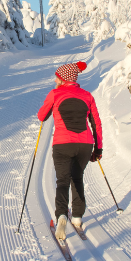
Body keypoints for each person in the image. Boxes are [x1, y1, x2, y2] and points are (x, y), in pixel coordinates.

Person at [37, 61, 103, 241]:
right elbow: (96, 123)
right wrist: (98, 148)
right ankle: (77, 217)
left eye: (56, 77)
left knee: (62, 180)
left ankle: (61, 216)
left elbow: (42, 115)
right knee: (77, 178)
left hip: (63, 144)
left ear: (62, 79)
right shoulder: (87, 96)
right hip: (85, 144)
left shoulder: (55, 94)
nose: (55, 79)